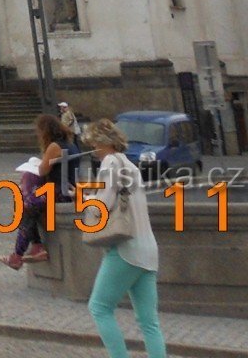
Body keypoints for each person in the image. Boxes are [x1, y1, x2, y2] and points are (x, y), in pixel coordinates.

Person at [82, 116, 166, 358]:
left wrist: (86, 200)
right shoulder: (130, 165)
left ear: (102, 142)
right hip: (148, 248)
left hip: (126, 248)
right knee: (149, 322)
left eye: (93, 144)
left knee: (99, 307)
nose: (93, 150)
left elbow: (105, 203)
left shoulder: (109, 162)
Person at [0, 112, 67, 270]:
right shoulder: (68, 143)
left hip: (58, 191)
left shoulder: (54, 146)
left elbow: (42, 171)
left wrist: (37, 165)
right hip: (63, 189)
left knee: (26, 206)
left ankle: (19, 255)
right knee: (27, 205)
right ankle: (35, 247)